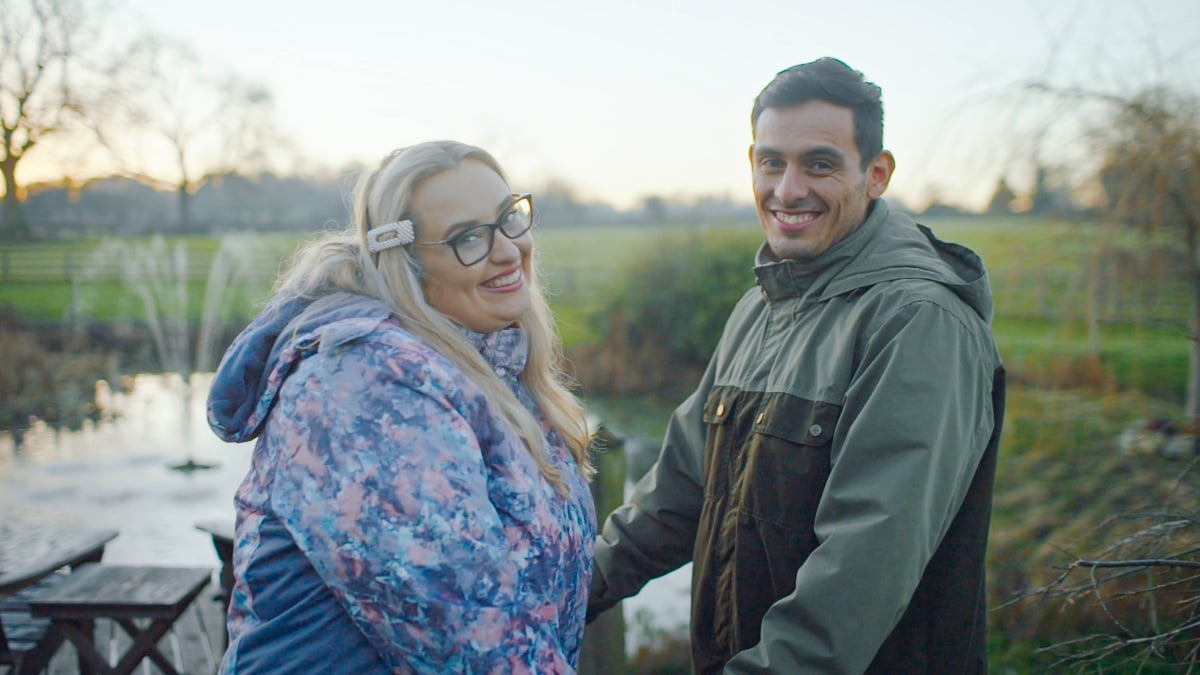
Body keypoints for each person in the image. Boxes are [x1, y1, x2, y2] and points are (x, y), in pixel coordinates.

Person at [586, 57, 1006, 674]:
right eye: (771, 162)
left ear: (877, 174)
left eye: (820, 164)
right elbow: (677, 491)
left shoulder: (918, 323)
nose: (787, 190)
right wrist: (560, 596)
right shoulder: (760, 308)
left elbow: (862, 569)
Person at [205, 140, 596, 674]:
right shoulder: (365, 387)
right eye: (468, 238)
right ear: (405, 264)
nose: (508, 250)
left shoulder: (490, 358)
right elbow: (471, 643)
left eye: (509, 218)